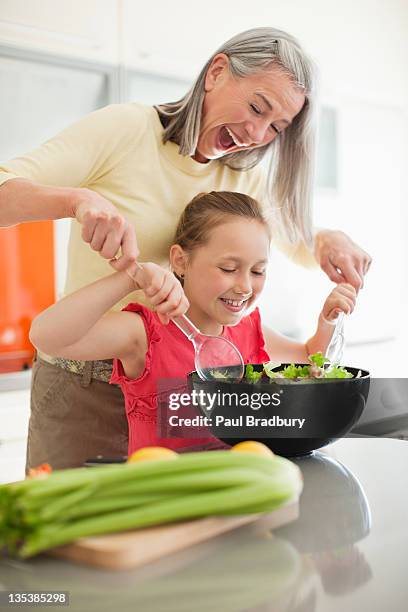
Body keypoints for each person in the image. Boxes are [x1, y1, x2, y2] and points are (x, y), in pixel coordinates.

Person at [0, 27, 370, 468]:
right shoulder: (125, 129)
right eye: (256, 107)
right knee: (68, 531)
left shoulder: (240, 172)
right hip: (86, 384)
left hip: (181, 388)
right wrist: (76, 200)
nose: (256, 133)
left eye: (276, 127)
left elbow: (287, 238)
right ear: (216, 72)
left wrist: (325, 238)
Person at [29, 192, 357, 457]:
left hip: (237, 498)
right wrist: (131, 279)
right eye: (229, 268)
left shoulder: (247, 327)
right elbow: (45, 336)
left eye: (258, 271)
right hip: (167, 506)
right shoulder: (145, 334)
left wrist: (327, 322)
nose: (245, 286)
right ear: (180, 261)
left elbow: (312, 357)